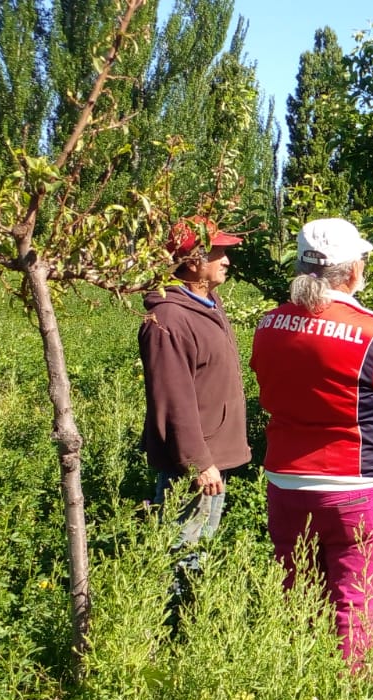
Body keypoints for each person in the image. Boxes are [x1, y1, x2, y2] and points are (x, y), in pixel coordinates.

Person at [250, 217, 373, 667]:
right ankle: (347, 693)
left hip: (286, 480)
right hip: (359, 481)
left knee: (298, 596)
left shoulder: (269, 324)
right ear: (352, 271)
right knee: (356, 600)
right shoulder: (371, 332)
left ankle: (298, 682)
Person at [138, 215, 251, 594]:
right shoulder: (168, 317)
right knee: (183, 551)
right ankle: (169, 621)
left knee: (199, 547)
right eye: (218, 253)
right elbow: (172, 397)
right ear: (192, 261)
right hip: (194, 463)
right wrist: (198, 462)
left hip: (212, 453)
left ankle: (187, 616)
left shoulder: (207, 302)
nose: (227, 260)